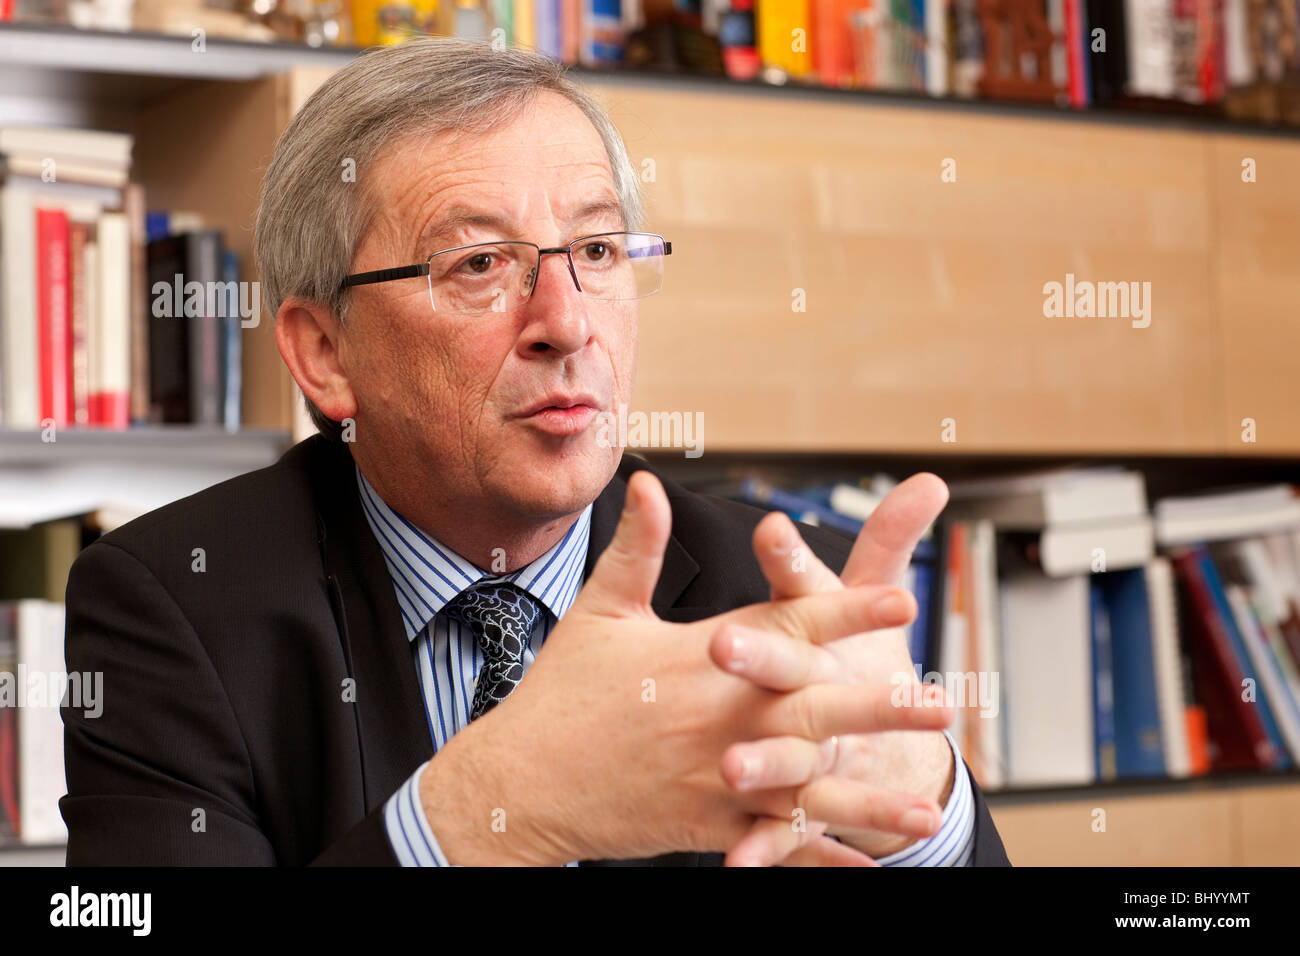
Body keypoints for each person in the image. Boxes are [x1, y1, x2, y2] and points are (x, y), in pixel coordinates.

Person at [61, 36, 1009, 867]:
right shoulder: (174, 607)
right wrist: (485, 815)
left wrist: (921, 816)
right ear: (326, 352)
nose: (566, 324)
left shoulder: (787, 596)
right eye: (479, 264)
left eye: (597, 252)